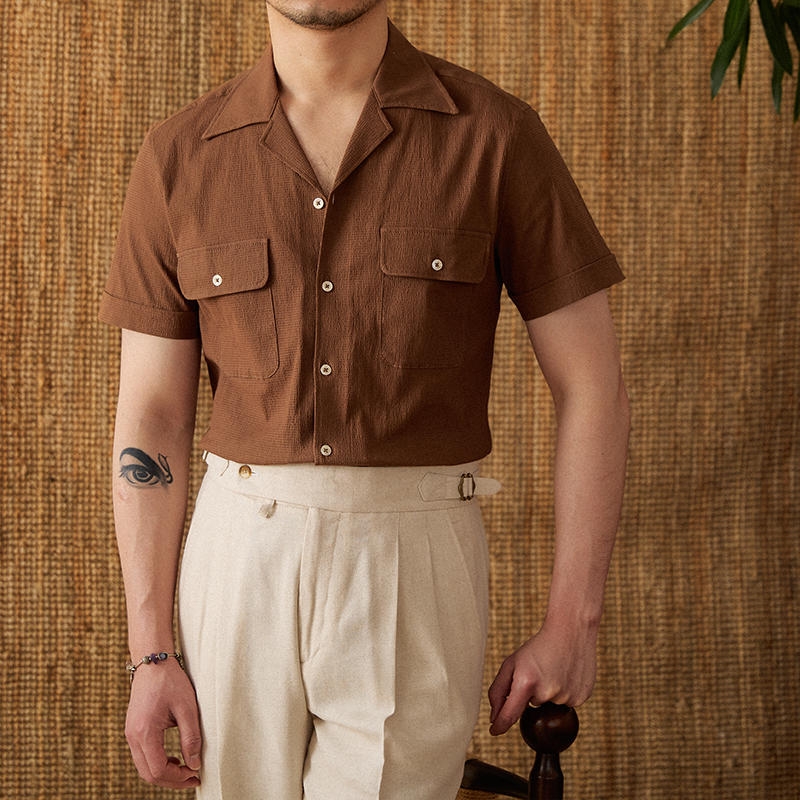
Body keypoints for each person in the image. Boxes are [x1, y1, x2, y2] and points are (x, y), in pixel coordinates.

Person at [98, 1, 630, 798]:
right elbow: (153, 418)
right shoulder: (179, 154)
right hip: (238, 561)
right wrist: (150, 650)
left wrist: (573, 622)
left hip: (414, 563)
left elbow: (594, 387)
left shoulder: (495, 137)